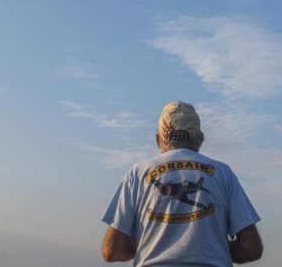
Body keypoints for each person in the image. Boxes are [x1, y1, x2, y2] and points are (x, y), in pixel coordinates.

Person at [101, 101, 263, 265]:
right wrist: (214, 250)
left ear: (159, 139)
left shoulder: (137, 174)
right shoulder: (224, 173)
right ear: (200, 139)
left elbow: (112, 251)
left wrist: (147, 245)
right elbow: (251, 248)